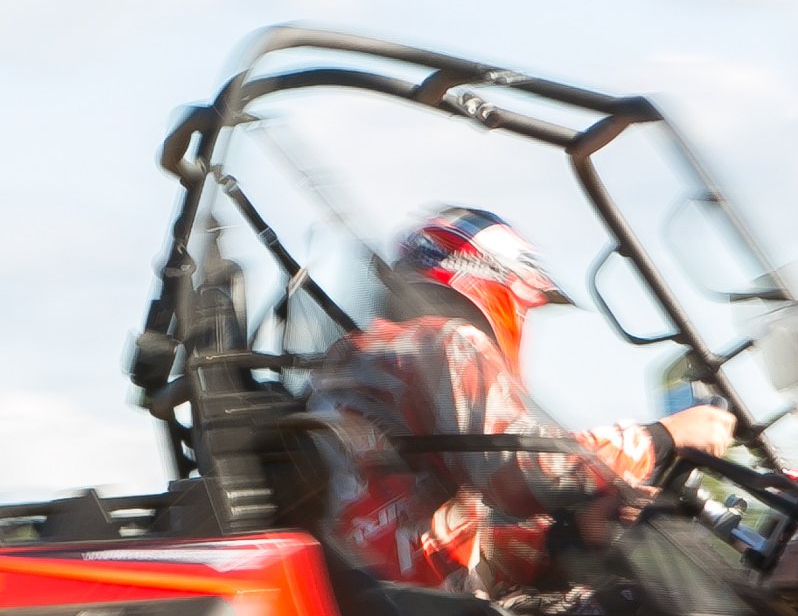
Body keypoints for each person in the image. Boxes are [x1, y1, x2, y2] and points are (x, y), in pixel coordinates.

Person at [306, 207, 735, 594]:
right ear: (494, 284)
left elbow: (446, 533)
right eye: (525, 307)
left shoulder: (355, 359)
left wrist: (565, 536)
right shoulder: (443, 340)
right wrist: (663, 436)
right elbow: (524, 470)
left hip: (383, 605)